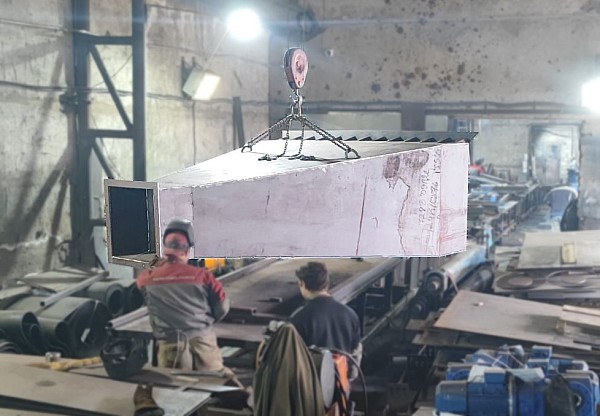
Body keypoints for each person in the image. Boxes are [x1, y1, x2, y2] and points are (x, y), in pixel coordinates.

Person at [137, 218, 230, 372]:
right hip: (204, 347)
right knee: (213, 383)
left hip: (171, 350)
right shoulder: (203, 276)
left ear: (165, 249)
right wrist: (204, 323)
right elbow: (222, 308)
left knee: (175, 386)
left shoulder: (145, 279)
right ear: (186, 251)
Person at [289, 261, 362, 395]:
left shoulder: (299, 318)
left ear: (303, 284)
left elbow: (292, 363)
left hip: (311, 394)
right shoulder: (350, 315)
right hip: (340, 391)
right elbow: (355, 360)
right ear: (326, 283)